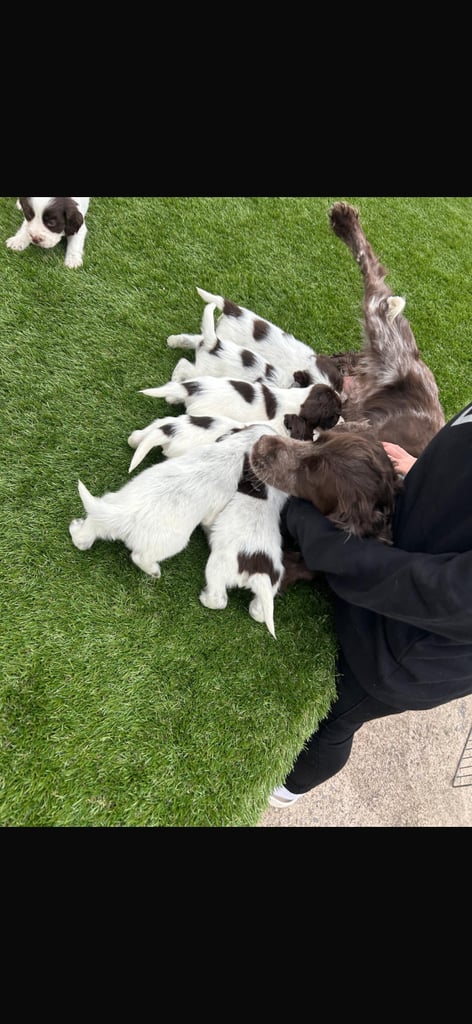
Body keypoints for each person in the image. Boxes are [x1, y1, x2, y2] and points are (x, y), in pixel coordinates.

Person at [270, 401, 472, 808]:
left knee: (335, 718)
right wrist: (429, 475)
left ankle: (290, 786)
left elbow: (452, 594)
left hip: (404, 651)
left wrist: (320, 538)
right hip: (398, 547)